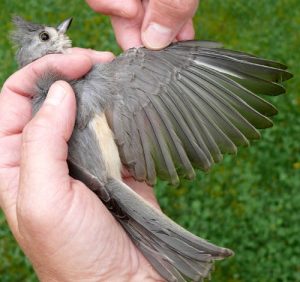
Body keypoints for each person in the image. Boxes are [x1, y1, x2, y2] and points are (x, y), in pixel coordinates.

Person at [0, 1, 199, 280]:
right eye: (46, 37)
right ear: (36, 53)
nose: (60, 31)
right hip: (101, 173)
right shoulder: (61, 92)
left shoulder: (44, 103)